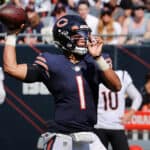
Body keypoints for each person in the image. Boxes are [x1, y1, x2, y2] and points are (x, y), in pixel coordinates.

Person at [3, 14, 121, 150]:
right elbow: (11, 68)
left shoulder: (96, 60)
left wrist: (98, 58)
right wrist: (11, 36)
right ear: (65, 38)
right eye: (78, 36)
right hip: (62, 135)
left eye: (85, 35)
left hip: (89, 135)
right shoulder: (52, 62)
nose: (84, 39)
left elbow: (116, 86)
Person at [94, 53, 142, 150]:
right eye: (105, 62)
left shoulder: (122, 76)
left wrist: (131, 113)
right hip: (99, 126)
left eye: (108, 62)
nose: (107, 65)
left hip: (117, 125)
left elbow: (137, 97)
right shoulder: (94, 78)